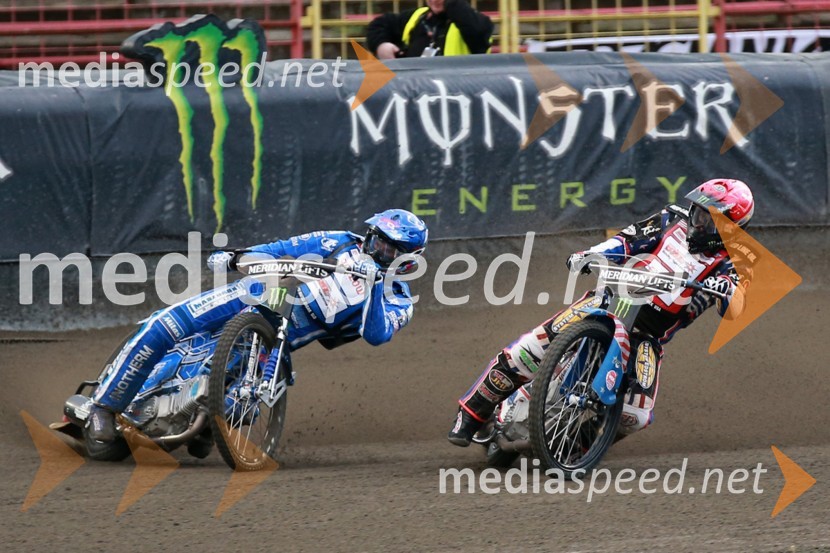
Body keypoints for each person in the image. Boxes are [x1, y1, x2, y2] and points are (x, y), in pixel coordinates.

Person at [447, 178, 755, 446]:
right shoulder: (671, 218)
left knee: (636, 415)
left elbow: (735, 307)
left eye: (708, 218)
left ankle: (579, 445)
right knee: (530, 350)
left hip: (647, 334)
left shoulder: (739, 260)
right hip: (609, 299)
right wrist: (590, 254)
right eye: (698, 211)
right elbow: (626, 240)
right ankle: (473, 413)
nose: (697, 221)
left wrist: (727, 291)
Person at [87, 209, 428, 443]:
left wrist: (373, 287)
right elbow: (284, 248)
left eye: (387, 247)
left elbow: (376, 335)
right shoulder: (336, 241)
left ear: (406, 260)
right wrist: (237, 256)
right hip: (259, 293)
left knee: (243, 402)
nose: (376, 248)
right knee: (166, 326)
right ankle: (103, 407)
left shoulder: (397, 299)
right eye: (376, 239)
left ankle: (203, 428)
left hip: (278, 340)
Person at [366, 0, 493, 59]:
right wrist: (381, 44)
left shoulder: (473, 20)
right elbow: (377, 25)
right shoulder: (418, 16)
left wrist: (450, 4)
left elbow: (479, 31)